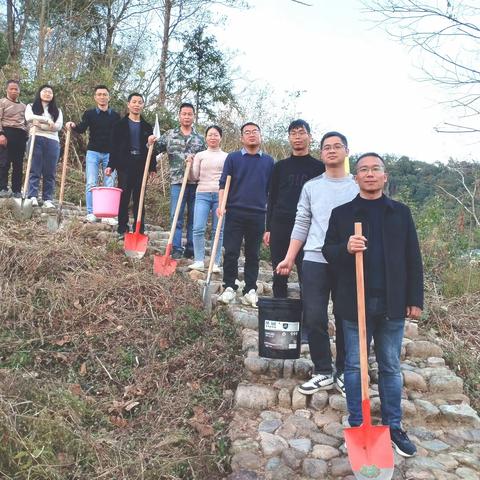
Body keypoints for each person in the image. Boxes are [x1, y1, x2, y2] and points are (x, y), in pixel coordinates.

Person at [322, 152, 423, 457]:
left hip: (392, 303)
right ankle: (357, 424)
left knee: (390, 365)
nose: (369, 174)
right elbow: (328, 251)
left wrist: (414, 299)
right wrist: (345, 248)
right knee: (354, 366)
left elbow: (412, 258)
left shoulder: (400, 213)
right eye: (363, 170)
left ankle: (393, 427)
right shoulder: (342, 214)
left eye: (374, 169)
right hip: (354, 303)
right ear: (356, 177)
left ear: (384, 176)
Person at [276, 131, 359, 396]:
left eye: (337, 146)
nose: (332, 151)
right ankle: (323, 370)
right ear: (321, 153)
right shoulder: (312, 186)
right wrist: (289, 257)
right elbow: (301, 223)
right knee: (314, 316)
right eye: (327, 147)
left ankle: (345, 371)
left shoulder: (357, 186)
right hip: (313, 258)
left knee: (346, 318)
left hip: (348, 260)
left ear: (346, 151)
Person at [264, 119, 325, 298]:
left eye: (301, 133)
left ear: (310, 137)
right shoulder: (279, 167)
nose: (297, 137)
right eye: (293, 134)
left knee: (306, 274)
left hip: (309, 227)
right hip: (280, 224)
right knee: (279, 272)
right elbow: (272, 197)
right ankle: (279, 313)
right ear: (289, 138)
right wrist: (268, 228)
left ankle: (307, 319)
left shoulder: (320, 168)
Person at [217, 122, 274, 308]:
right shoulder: (233, 158)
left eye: (255, 132)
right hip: (234, 211)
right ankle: (229, 286)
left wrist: (270, 219)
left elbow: (270, 191)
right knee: (231, 251)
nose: (251, 135)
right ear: (242, 138)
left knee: (253, 254)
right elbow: (223, 184)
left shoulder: (268, 161)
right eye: (247, 133)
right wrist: (221, 205)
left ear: (260, 136)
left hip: (258, 213)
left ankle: (250, 288)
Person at [155, 103, 206, 259]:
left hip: (196, 183)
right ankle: (176, 247)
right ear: (179, 115)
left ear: (194, 116)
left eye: (190, 114)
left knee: (194, 217)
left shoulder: (200, 139)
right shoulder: (170, 135)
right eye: (184, 114)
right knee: (176, 216)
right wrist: (150, 142)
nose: (187, 117)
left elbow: (206, 159)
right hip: (177, 182)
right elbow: (155, 149)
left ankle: (191, 247)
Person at [66, 85, 120, 223]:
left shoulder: (115, 115)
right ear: (95, 97)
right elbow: (82, 128)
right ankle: (92, 212)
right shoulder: (89, 114)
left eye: (105, 94)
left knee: (110, 183)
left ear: (109, 97)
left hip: (111, 153)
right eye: (99, 94)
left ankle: (108, 215)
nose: (102, 97)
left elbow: (120, 134)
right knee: (91, 182)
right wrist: (73, 125)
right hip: (93, 152)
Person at [105, 93, 155, 238]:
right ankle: (122, 227)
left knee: (140, 197)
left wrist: (152, 167)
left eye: (140, 102)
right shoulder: (119, 125)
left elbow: (151, 148)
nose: (137, 105)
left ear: (143, 105)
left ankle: (139, 228)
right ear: (128, 104)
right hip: (124, 164)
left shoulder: (146, 126)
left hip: (141, 164)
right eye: (134, 102)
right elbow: (113, 147)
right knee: (124, 196)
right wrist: (111, 165)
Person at [188, 125, 228, 272]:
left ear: (220, 137)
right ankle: (199, 260)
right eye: (210, 135)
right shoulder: (200, 155)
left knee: (218, 230)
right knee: (198, 227)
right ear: (206, 137)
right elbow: (194, 177)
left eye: (216, 135)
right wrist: (190, 165)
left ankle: (215, 262)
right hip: (202, 194)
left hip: (220, 195)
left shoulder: (227, 157)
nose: (213, 137)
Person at [25, 84, 63, 208]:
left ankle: (47, 199)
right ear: (40, 93)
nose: (47, 94)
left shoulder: (57, 111)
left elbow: (57, 126)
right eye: (45, 91)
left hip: (52, 141)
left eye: (50, 92)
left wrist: (40, 124)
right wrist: (47, 121)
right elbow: (29, 118)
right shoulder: (31, 106)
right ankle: (32, 196)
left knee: (50, 171)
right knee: (35, 168)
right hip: (36, 138)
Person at [0, 80, 28, 198]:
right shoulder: (2, 102)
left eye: (16, 89)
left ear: (19, 91)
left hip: (20, 135)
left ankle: (16, 190)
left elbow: (27, 123)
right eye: (11, 88)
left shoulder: (24, 106)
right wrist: (1, 134)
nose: (13, 91)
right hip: (6, 133)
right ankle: (2, 188)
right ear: (6, 89)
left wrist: (26, 135)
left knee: (18, 164)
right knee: (4, 163)